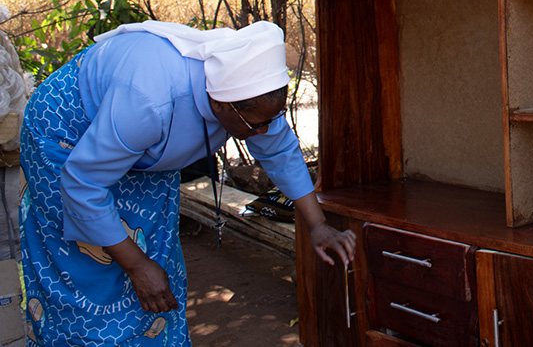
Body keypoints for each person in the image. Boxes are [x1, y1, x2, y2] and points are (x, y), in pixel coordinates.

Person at [20, 20, 357, 345]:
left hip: (134, 148)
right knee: (92, 263)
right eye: (256, 124)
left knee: (154, 256)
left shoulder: (248, 94)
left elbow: (281, 151)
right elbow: (82, 185)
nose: (265, 131)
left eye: (272, 119)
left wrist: (318, 226)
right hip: (66, 137)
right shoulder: (150, 100)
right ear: (219, 105)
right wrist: (135, 265)